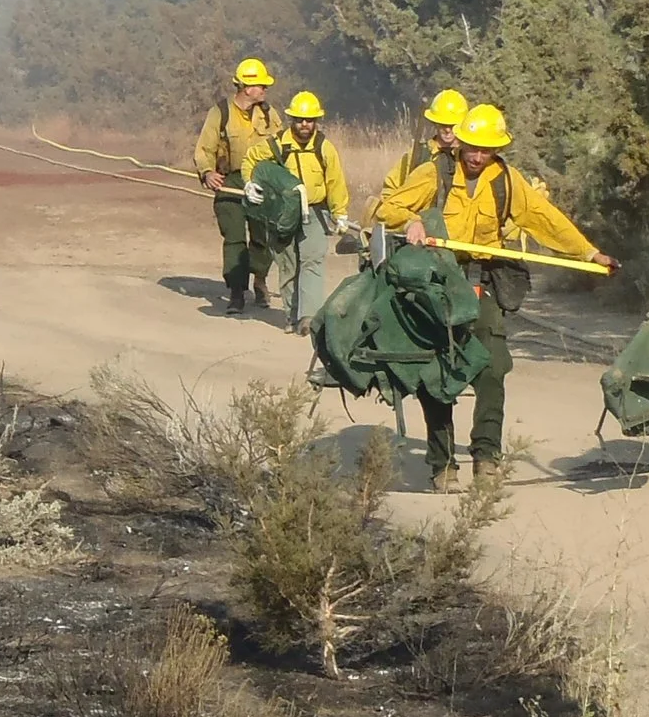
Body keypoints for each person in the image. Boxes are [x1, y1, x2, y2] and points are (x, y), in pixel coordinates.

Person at [375, 103, 615, 490]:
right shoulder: (434, 172)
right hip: (437, 284)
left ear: (496, 149)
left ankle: (486, 457)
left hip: (481, 282)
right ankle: (442, 464)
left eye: (485, 149)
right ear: (460, 142)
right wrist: (413, 220)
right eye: (471, 147)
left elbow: (545, 219)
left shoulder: (505, 180)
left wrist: (588, 253)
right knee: (437, 372)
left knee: (492, 367)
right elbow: (388, 207)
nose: (476, 155)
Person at [243, 92, 350, 333]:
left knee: (312, 260)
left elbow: (335, 181)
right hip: (284, 212)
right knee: (288, 264)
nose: (304, 124)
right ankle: (292, 317)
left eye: (309, 120)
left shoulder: (324, 148)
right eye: (300, 120)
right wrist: (249, 183)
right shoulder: (277, 144)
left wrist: (340, 212)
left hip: (315, 210)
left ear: (316, 121)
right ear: (292, 119)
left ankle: (309, 318)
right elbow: (251, 159)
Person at [193, 58, 281, 312]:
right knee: (234, 238)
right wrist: (207, 173)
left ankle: (260, 281)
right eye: (261, 85)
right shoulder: (220, 113)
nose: (265, 89)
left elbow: (282, 148)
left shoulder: (269, 114)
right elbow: (204, 149)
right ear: (247, 87)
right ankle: (236, 292)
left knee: (263, 235)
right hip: (230, 181)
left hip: (262, 181)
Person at [380, 89, 468, 211]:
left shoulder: (469, 157)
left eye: (453, 125)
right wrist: (401, 216)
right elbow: (390, 190)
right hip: (419, 220)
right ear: (435, 123)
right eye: (443, 124)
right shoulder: (419, 154)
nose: (448, 130)